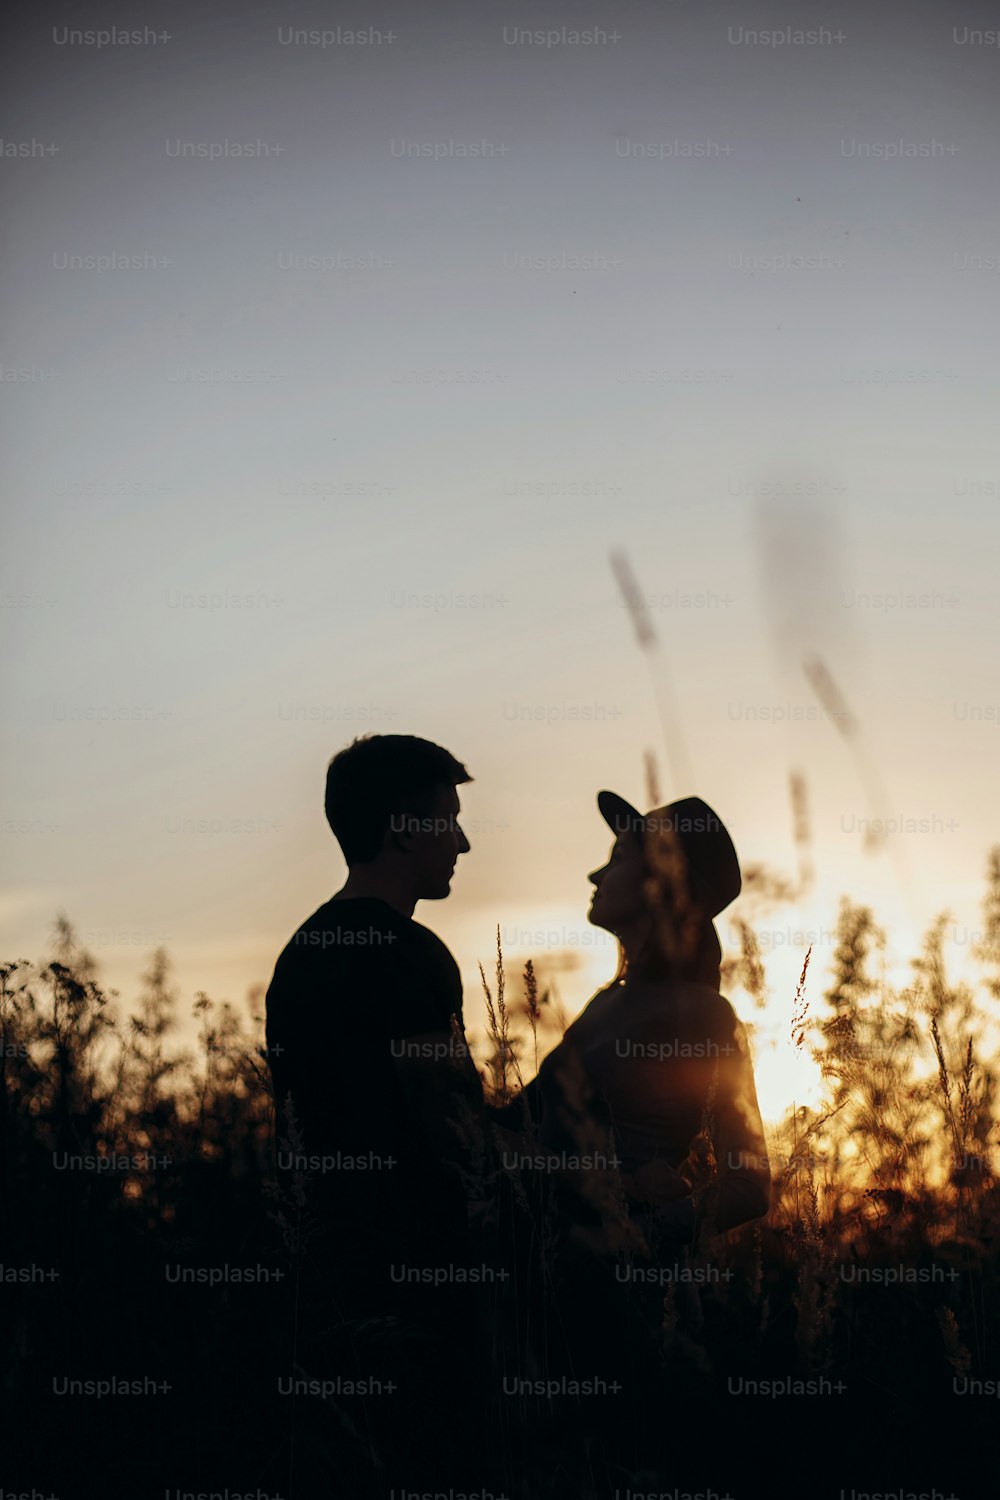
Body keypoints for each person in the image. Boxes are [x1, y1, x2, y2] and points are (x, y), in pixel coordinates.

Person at [492, 789, 770, 1467]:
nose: (595, 875)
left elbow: (750, 1184)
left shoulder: (702, 1014)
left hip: (624, 1309)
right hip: (548, 1295)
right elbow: (514, 1129)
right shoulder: (608, 1003)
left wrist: (630, 1240)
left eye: (614, 858)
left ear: (660, 885)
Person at [264, 734, 491, 1487]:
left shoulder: (301, 952)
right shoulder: (408, 953)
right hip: (419, 1287)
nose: (461, 840)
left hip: (321, 1283)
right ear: (402, 828)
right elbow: (459, 1134)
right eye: (448, 818)